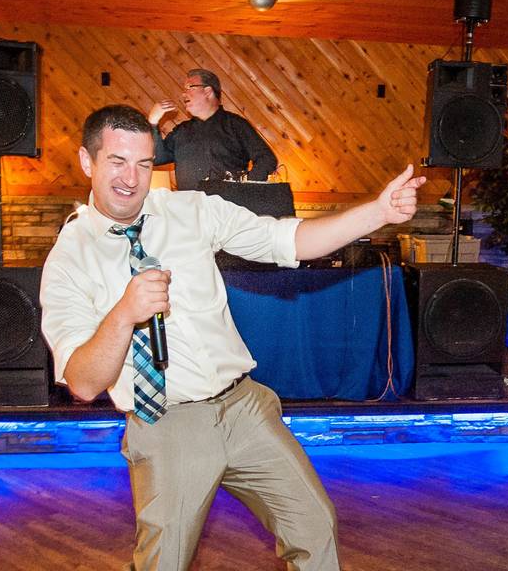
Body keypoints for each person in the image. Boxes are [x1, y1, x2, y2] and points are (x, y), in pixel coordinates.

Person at [40, 104, 425, 571]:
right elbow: (82, 383)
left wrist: (377, 213)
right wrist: (124, 314)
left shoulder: (190, 210)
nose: (131, 177)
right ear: (88, 161)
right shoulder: (68, 258)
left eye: (143, 163)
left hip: (243, 409)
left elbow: (289, 241)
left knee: (314, 525)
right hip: (167, 424)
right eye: (117, 161)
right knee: (162, 564)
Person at [148, 68, 278, 189]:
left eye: (189, 87)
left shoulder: (236, 125)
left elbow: (267, 159)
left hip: (227, 210)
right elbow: (157, 158)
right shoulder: (181, 131)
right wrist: (153, 122)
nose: (183, 94)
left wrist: (244, 187)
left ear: (208, 91)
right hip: (190, 210)